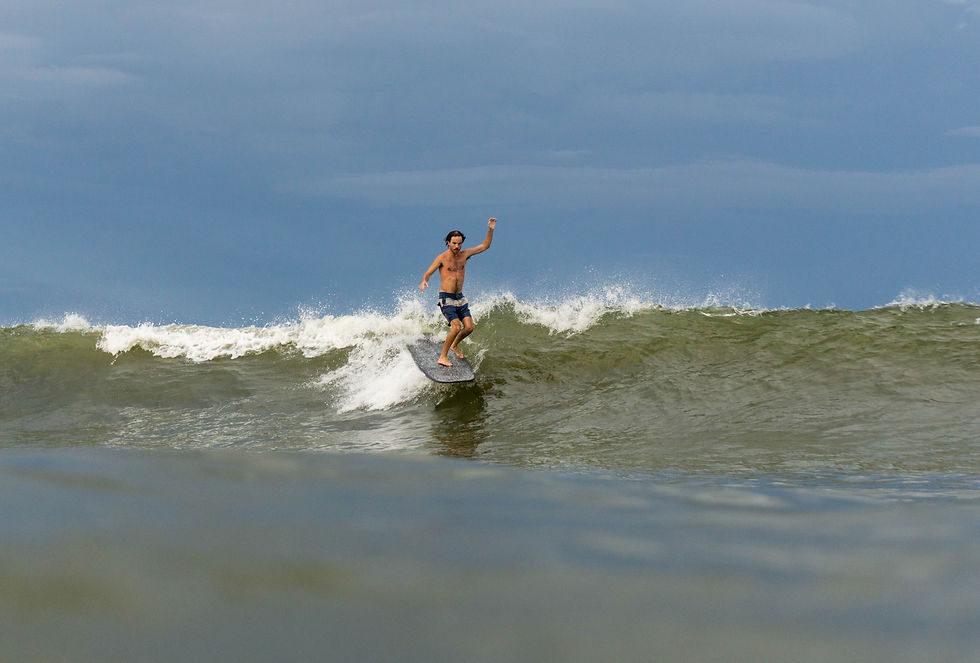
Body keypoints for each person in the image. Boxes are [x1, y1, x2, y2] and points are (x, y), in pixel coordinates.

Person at [419, 217, 497, 366]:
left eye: (459, 243)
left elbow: (485, 246)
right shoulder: (442, 258)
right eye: (454, 243)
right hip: (446, 298)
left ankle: (454, 346)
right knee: (456, 327)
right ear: (448, 242)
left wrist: (490, 229)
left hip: (459, 298)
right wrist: (424, 281)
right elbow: (428, 273)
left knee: (469, 328)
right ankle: (443, 357)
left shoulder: (465, 255)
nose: (457, 246)